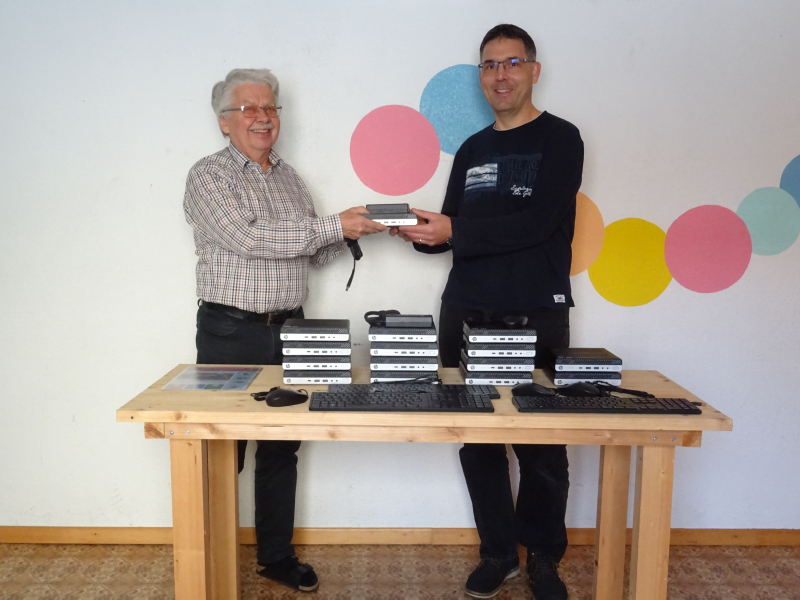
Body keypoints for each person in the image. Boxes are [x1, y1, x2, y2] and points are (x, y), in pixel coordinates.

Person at [391, 25, 583, 600]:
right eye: (490, 65)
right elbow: (456, 229)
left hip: (536, 310)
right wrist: (423, 233)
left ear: (533, 71)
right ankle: (498, 554)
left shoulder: (562, 139)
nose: (501, 75)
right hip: (466, 310)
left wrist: (456, 230)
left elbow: (538, 224)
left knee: (541, 442)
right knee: (477, 439)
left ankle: (543, 558)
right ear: (481, 76)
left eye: (512, 62)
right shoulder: (473, 149)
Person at [184, 68, 385, 593]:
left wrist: (353, 230)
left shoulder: (291, 178)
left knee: (281, 447)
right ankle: (207, 555)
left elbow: (309, 252)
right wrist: (333, 225)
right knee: (222, 449)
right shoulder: (208, 176)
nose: (262, 117)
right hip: (231, 332)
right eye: (248, 108)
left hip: (293, 330)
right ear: (224, 122)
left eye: (270, 107)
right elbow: (249, 239)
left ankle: (275, 557)